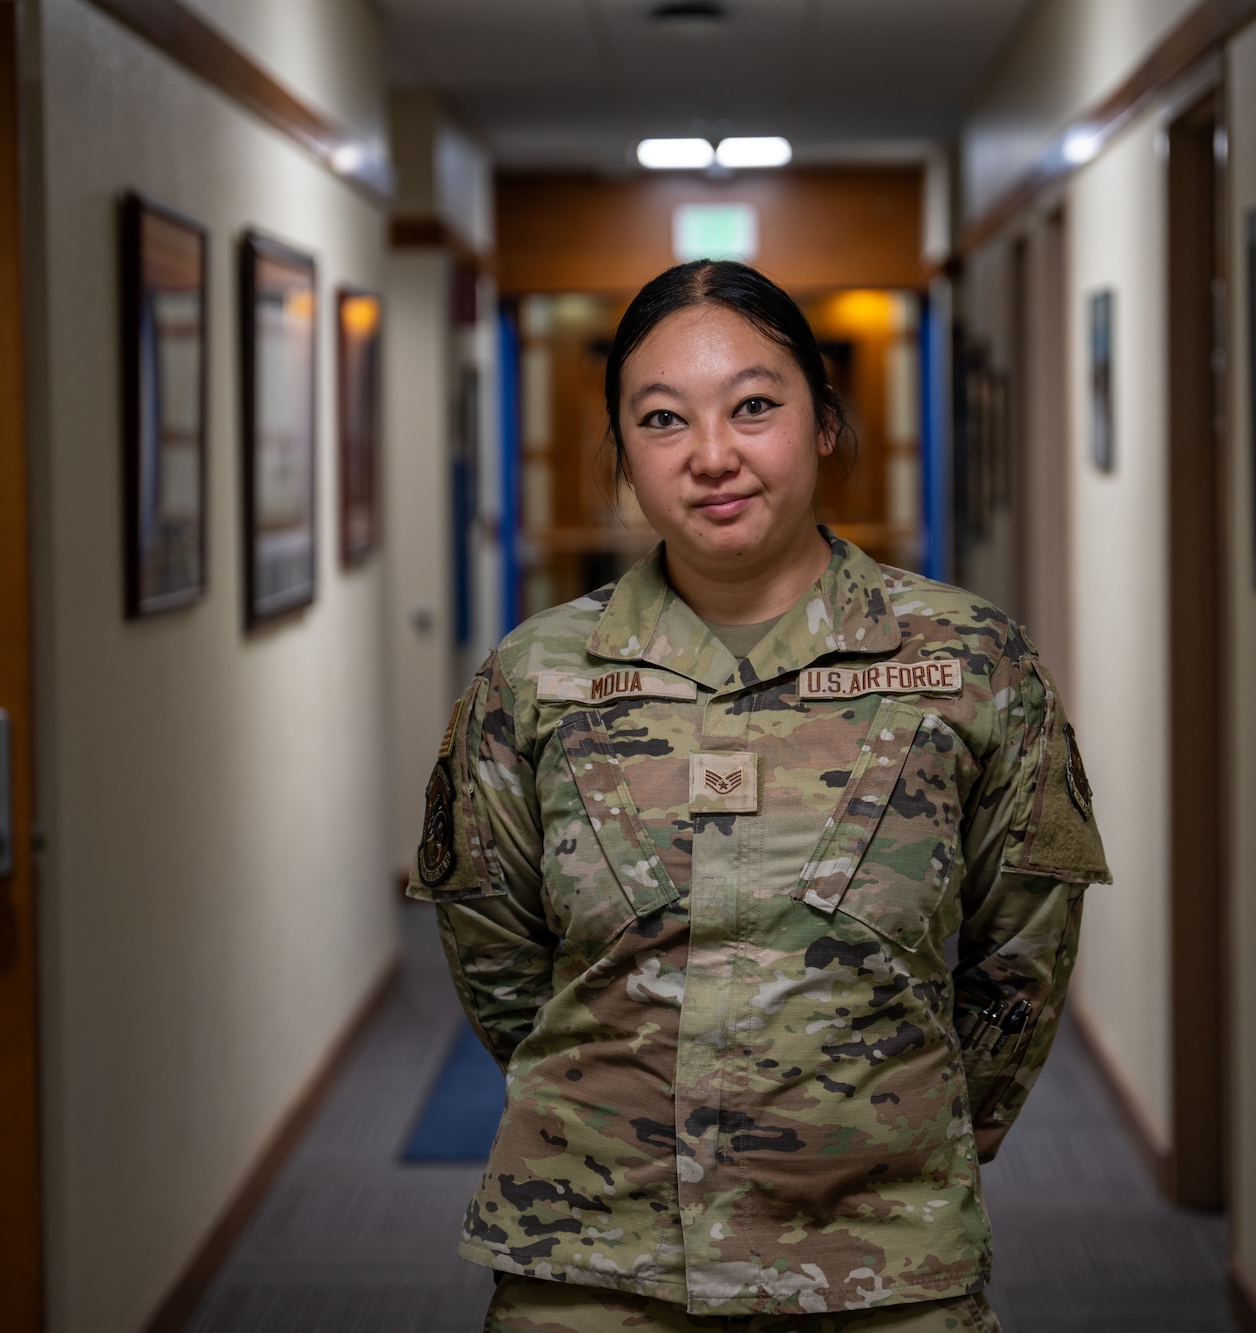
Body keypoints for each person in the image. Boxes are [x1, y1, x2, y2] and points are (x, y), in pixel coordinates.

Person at [410, 260, 1109, 1333]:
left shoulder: (970, 663)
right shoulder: (534, 675)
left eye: (752, 406)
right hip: (592, 1262)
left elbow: (1020, 964)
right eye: (660, 419)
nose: (711, 456)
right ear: (623, 458)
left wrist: (884, 1137)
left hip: (878, 1270)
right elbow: (500, 966)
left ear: (822, 424)